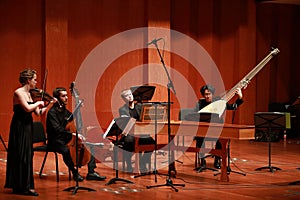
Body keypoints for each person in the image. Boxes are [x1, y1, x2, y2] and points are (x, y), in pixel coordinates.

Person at [5, 69, 53, 196]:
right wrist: (38, 102)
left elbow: (37, 113)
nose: (36, 82)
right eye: (35, 79)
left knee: (27, 155)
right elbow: (27, 108)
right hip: (19, 127)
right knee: (19, 155)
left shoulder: (31, 95)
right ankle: (20, 186)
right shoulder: (18, 92)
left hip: (28, 127)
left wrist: (47, 105)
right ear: (28, 80)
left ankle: (25, 185)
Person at [46, 87, 106, 181]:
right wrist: (73, 134)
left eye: (66, 95)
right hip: (55, 140)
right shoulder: (52, 113)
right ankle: (74, 172)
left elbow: (73, 119)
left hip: (67, 137)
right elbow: (57, 129)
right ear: (57, 98)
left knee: (90, 145)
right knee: (66, 150)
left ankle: (91, 172)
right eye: (63, 96)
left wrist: (78, 108)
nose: (66, 98)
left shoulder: (64, 111)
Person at [193, 84, 243, 169]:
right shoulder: (200, 103)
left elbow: (232, 107)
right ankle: (202, 161)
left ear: (212, 94)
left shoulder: (219, 102)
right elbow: (195, 115)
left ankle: (217, 160)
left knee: (221, 138)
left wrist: (240, 96)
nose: (207, 96)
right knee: (199, 138)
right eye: (205, 94)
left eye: (209, 94)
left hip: (215, 129)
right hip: (204, 129)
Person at [118, 89, 155, 174]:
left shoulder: (140, 107)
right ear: (124, 99)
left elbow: (145, 118)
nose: (130, 96)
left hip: (141, 132)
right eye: (127, 95)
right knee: (129, 142)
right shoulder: (122, 109)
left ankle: (142, 161)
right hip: (129, 132)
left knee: (152, 142)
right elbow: (127, 122)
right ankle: (129, 164)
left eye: (130, 94)